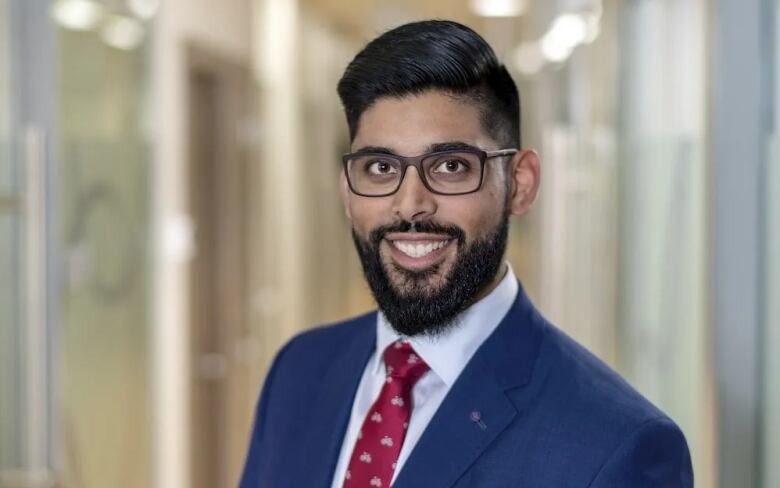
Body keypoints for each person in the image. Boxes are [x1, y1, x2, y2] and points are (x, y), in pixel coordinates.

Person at [240, 20, 693, 488]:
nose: (410, 204)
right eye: (380, 167)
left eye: (451, 166)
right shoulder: (299, 371)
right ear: (347, 187)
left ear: (520, 183)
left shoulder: (617, 445)